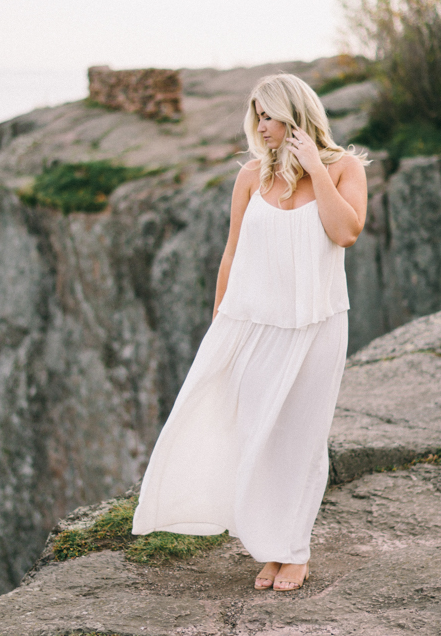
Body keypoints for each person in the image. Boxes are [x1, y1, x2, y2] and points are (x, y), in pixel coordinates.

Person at [132, 72, 368, 591]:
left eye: (270, 115)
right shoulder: (249, 178)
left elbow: (346, 231)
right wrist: (219, 321)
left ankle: (294, 551)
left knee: (301, 440)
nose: (261, 126)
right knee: (254, 435)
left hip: (316, 326)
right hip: (253, 323)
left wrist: (315, 170)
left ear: (296, 115)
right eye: (257, 115)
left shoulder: (344, 168)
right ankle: (269, 544)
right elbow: (232, 253)